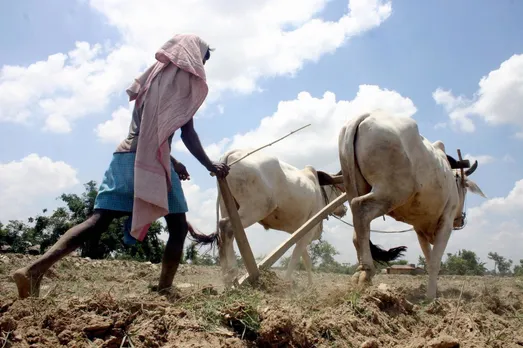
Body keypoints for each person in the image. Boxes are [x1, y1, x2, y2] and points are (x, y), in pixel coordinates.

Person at [12, 33, 229, 299]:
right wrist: (211, 164)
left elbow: (148, 132)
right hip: (151, 160)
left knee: (97, 220)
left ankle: (33, 270)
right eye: (202, 60)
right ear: (192, 56)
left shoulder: (153, 78)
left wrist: (173, 159)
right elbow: (187, 133)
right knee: (178, 228)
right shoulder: (182, 83)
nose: (201, 68)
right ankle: (164, 289)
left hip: (126, 156)